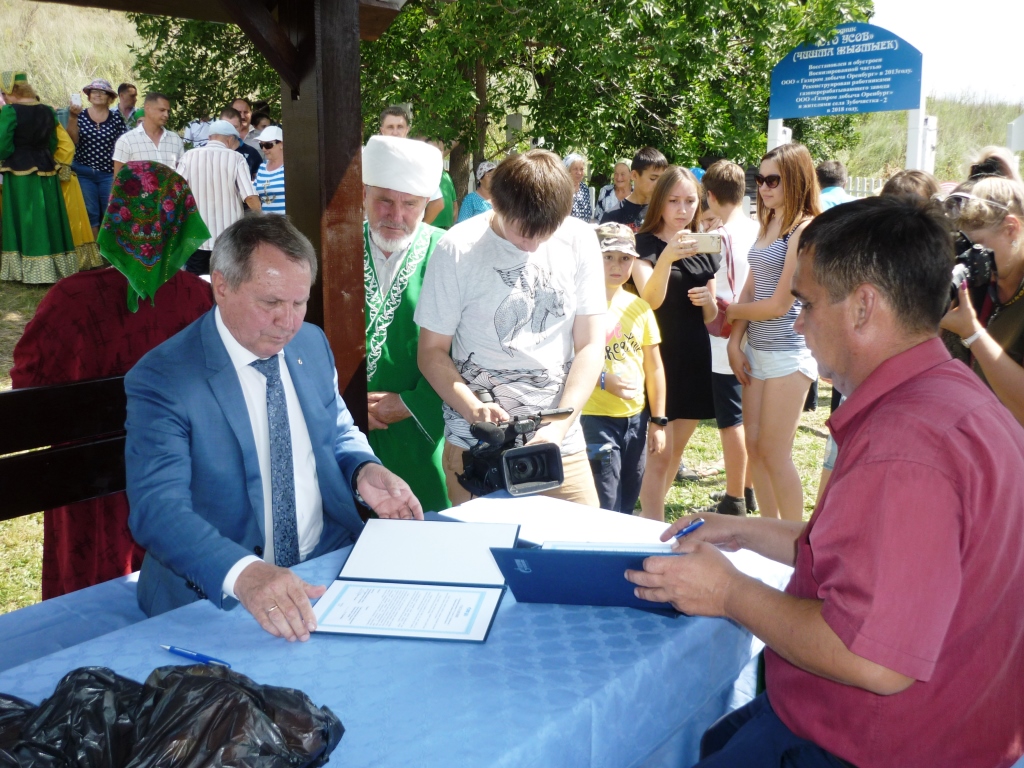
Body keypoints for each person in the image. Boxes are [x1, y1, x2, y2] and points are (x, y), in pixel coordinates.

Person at [627, 195, 1024, 768]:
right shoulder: (953, 397)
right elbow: (882, 560)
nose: (798, 321)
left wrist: (729, 592)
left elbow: (871, 658)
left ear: (863, 308)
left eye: (806, 304)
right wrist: (744, 531)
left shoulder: (906, 446)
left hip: (863, 744)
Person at [126, 215, 423, 639]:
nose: (289, 321)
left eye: (299, 302)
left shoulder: (310, 344)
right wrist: (247, 574)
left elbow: (336, 429)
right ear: (222, 285)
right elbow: (158, 509)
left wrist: (363, 470)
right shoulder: (165, 378)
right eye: (270, 303)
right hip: (218, 593)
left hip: (325, 567)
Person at [11, 161, 214, 599]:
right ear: (179, 223)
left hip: (85, 487)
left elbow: (28, 387)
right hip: (178, 484)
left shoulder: (68, 299)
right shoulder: (199, 298)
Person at [416, 149, 606, 507]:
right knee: (482, 559)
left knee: (581, 551)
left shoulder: (580, 240)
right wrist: (473, 408)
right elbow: (431, 352)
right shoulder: (456, 248)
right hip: (477, 448)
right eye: (522, 233)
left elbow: (591, 345)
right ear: (496, 204)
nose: (531, 246)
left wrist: (559, 427)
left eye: (544, 235)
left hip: (560, 446)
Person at [725, 143, 820, 522]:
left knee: (774, 451)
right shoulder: (770, 221)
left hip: (789, 353)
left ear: (795, 179)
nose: (762, 187)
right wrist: (734, 341)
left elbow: (781, 303)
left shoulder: (805, 228)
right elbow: (751, 286)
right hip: (756, 351)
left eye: (772, 180)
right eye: (759, 178)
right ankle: (768, 533)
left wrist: (729, 312)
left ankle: (796, 540)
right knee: (755, 447)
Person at [362, 136, 450, 512]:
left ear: (426, 204)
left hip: (423, 433)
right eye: (384, 199)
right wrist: (347, 407)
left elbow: (472, 349)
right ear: (363, 194)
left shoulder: (450, 254)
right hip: (345, 435)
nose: (395, 215)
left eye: (410, 204)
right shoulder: (331, 249)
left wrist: (413, 403)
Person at [632, 166, 720, 520]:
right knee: (658, 452)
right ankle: (652, 527)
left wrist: (709, 303)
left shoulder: (704, 246)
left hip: (693, 354)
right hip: (657, 357)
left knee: (676, 451)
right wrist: (667, 255)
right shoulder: (642, 245)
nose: (682, 209)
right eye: (674, 201)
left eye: (690, 201)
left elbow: (712, 316)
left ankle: (646, 517)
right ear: (660, 202)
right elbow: (650, 299)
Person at [582, 222, 666, 513]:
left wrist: (659, 420)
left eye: (625, 258)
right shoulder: (577, 306)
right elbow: (567, 361)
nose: (617, 265)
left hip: (635, 421)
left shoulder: (640, 307)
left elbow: (654, 367)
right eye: (608, 257)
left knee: (628, 500)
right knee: (605, 503)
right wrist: (603, 379)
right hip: (594, 419)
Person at [694, 160, 758, 516]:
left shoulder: (717, 237)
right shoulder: (759, 228)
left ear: (710, 195)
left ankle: (733, 498)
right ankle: (747, 490)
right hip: (757, 330)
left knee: (730, 420)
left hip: (724, 336)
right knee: (748, 416)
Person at [940, 176, 1024, 426]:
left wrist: (972, 332)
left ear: (1012, 228)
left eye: (978, 246)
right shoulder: (981, 285)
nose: (969, 259)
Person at [0, 70, 77, 284]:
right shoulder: (47, 110)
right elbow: (53, 142)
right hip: (46, 169)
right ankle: (55, 267)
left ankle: (28, 270)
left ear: (10, 91)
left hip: (19, 172)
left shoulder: (10, 111)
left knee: (26, 217)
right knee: (49, 216)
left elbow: (2, 144)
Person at [175, 119, 260, 275]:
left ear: (210, 137)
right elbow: (250, 197)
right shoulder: (236, 159)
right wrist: (261, 219)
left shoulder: (189, 156)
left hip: (196, 237)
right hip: (228, 239)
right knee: (227, 283)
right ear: (229, 139)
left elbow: (174, 190)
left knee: (197, 285)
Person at [67, 78, 126, 237]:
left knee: (110, 212)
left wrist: (117, 174)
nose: (98, 95)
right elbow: (73, 140)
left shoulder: (116, 119)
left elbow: (123, 147)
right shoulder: (80, 115)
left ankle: (110, 253)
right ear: (88, 96)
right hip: (84, 172)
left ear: (110, 98)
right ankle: (95, 254)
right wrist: (72, 117)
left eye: (102, 92)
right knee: (90, 212)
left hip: (108, 174)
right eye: (94, 91)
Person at [112, 92, 184, 175]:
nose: (166, 115)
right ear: (147, 108)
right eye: (162, 110)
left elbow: (181, 177)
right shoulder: (126, 141)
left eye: (168, 111)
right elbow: (118, 180)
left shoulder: (175, 139)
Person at [599, 146, 668, 231]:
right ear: (634, 175)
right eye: (653, 178)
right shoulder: (613, 216)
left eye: (662, 179)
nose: (659, 184)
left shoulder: (664, 212)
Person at [220, 106, 261, 180]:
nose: (230, 131)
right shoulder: (208, 152)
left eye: (234, 127)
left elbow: (259, 183)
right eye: (226, 126)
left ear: (241, 127)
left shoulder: (252, 153)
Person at [255, 125, 285, 215]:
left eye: (268, 145)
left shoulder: (289, 168)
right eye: (261, 145)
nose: (264, 149)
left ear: (281, 144)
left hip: (286, 224)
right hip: (267, 225)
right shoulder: (262, 167)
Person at [563, 153, 592, 221]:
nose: (579, 173)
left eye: (581, 169)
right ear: (567, 170)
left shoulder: (584, 188)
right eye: (575, 169)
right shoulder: (562, 189)